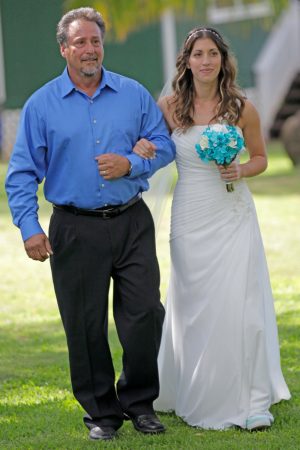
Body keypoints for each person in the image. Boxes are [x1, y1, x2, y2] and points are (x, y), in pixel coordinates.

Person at [5, 7, 175, 441]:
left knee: (144, 316)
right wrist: (29, 227)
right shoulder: (42, 104)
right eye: (79, 42)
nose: (89, 49)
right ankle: (102, 413)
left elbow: (164, 145)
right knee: (84, 325)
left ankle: (140, 403)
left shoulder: (133, 94)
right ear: (64, 49)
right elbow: (22, 173)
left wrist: (132, 163)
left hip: (132, 222)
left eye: (95, 41)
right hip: (74, 227)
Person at [133, 27, 291, 431]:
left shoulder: (241, 107)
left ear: (223, 60)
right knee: (194, 301)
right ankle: (193, 384)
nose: (206, 61)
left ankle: (251, 396)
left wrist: (240, 168)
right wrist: (143, 148)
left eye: (213, 54)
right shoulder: (168, 107)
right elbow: (147, 144)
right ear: (186, 61)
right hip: (189, 215)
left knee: (240, 301)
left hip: (233, 213)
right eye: (198, 54)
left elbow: (260, 158)